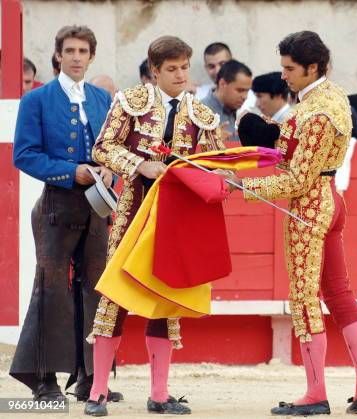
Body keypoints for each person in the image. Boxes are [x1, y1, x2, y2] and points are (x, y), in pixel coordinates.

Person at [222, 31, 357, 416]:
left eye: (290, 69)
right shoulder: (334, 98)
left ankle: (316, 394)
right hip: (331, 201)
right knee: (338, 293)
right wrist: (274, 136)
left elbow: (297, 179)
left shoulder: (314, 112)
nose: (284, 76)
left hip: (308, 209)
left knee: (305, 298)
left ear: (312, 68)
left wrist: (244, 185)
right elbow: (299, 155)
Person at [84, 35, 224, 416]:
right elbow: (103, 147)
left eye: (184, 67)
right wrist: (139, 165)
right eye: (172, 69)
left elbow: (213, 163)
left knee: (166, 301)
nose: (181, 75)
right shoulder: (130, 103)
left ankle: (159, 394)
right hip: (133, 213)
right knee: (115, 300)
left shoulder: (203, 115)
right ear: (155, 71)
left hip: (175, 218)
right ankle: (97, 393)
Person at [11, 25, 120, 403]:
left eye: (83, 51)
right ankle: (44, 378)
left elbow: (114, 150)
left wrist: (110, 170)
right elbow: (23, 154)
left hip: (96, 205)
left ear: (92, 56)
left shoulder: (101, 99)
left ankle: (92, 377)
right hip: (57, 203)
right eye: (70, 50)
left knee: (96, 288)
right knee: (52, 287)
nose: (76, 57)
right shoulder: (37, 100)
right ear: (58, 55)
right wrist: (67, 171)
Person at [200, 59, 252, 141]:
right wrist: (210, 142)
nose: (245, 96)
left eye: (247, 91)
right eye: (240, 90)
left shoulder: (242, 110)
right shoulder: (199, 111)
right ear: (222, 84)